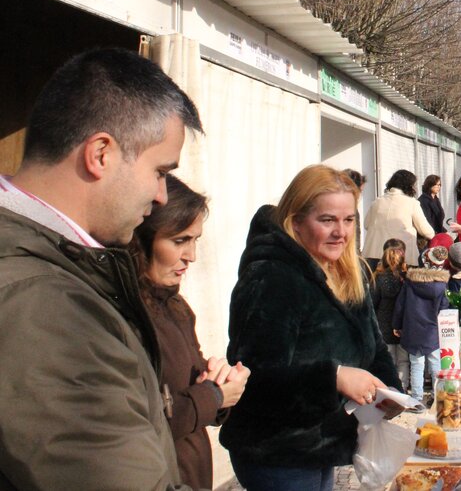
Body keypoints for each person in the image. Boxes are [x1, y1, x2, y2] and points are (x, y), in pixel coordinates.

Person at [0, 48, 202, 490]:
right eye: (160, 171)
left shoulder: (52, 267)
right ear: (101, 154)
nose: (163, 196)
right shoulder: (41, 306)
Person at [221, 165, 401, 491]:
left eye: (349, 220)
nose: (341, 232)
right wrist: (333, 377)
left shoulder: (346, 270)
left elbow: (372, 344)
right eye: (327, 220)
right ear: (296, 222)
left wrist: (391, 396)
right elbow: (255, 377)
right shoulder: (272, 277)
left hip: (321, 443)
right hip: (276, 450)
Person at [131, 173, 250, 488]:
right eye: (180, 240)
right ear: (141, 238)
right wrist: (212, 395)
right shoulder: (126, 315)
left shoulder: (176, 306)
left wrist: (220, 385)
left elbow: (193, 399)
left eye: (195, 240)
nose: (191, 256)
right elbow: (137, 425)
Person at [394, 243, 451, 402]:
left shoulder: (410, 283)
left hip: (413, 330)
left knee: (416, 365)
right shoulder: (441, 286)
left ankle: (416, 398)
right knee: (435, 365)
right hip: (432, 332)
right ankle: (437, 396)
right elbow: (444, 308)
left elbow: (400, 306)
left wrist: (396, 325)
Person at [362, 169, 435, 266]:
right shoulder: (412, 203)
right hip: (400, 257)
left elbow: (366, 224)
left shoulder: (377, 201)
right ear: (409, 186)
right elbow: (427, 232)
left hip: (373, 255)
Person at [371, 238, 410, 393]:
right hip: (403, 325)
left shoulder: (379, 278)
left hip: (384, 325)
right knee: (404, 361)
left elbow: (372, 303)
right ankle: (403, 387)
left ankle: (388, 388)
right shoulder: (407, 278)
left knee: (388, 360)